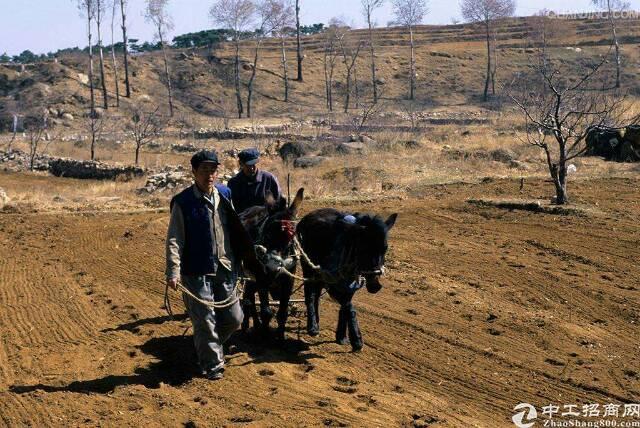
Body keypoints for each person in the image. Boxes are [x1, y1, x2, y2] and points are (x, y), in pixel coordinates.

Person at [166, 150, 265, 380]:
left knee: (234, 318)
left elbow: (235, 228)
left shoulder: (224, 194)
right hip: (196, 270)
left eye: (213, 170)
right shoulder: (183, 202)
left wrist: (245, 258)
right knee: (205, 320)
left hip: (226, 266)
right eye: (204, 170)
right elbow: (174, 238)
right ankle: (212, 365)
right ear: (193, 172)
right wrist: (173, 270)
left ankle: (207, 347)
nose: (209, 175)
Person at [227, 148, 282, 214]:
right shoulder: (233, 183)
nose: (252, 168)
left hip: (265, 221)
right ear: (241, 164)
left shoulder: (269, 179)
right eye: (248, 165)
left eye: (254, 164)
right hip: (242, 221)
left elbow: (279, 203)